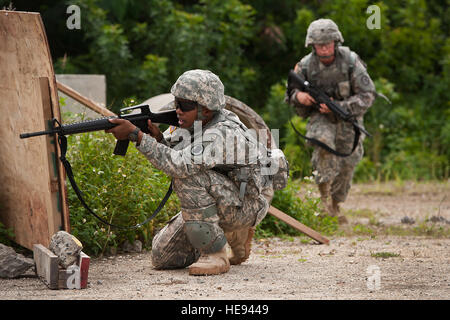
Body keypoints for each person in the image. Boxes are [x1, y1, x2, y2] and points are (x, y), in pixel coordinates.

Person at [106, 69, 274, 275]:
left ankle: (216, 254)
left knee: (188, 176)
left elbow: (179, 165)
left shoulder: (223, 132)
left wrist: (137, 136)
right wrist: (158, 139)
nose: (178, 110)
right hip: (224, 196)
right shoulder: (191, 124)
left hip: (246, 203)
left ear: (207, 108)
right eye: (176, 103)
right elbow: (178, 154)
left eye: (185, 105)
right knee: (163, 257)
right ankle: (231, 234)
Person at [286, 19, 376, 223]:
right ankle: (324, 200)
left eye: (328, 43)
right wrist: (299, 97)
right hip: (320, 116)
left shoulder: (351, 62)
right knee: (323, 144)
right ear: (312, 45)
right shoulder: (305, 65)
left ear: (336, 42)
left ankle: (335, 204)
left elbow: (368, 95)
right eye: (319, 44)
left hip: (348, 117)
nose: (324, 48)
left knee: (348, 162)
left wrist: (341, 107)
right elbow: (290, 92)